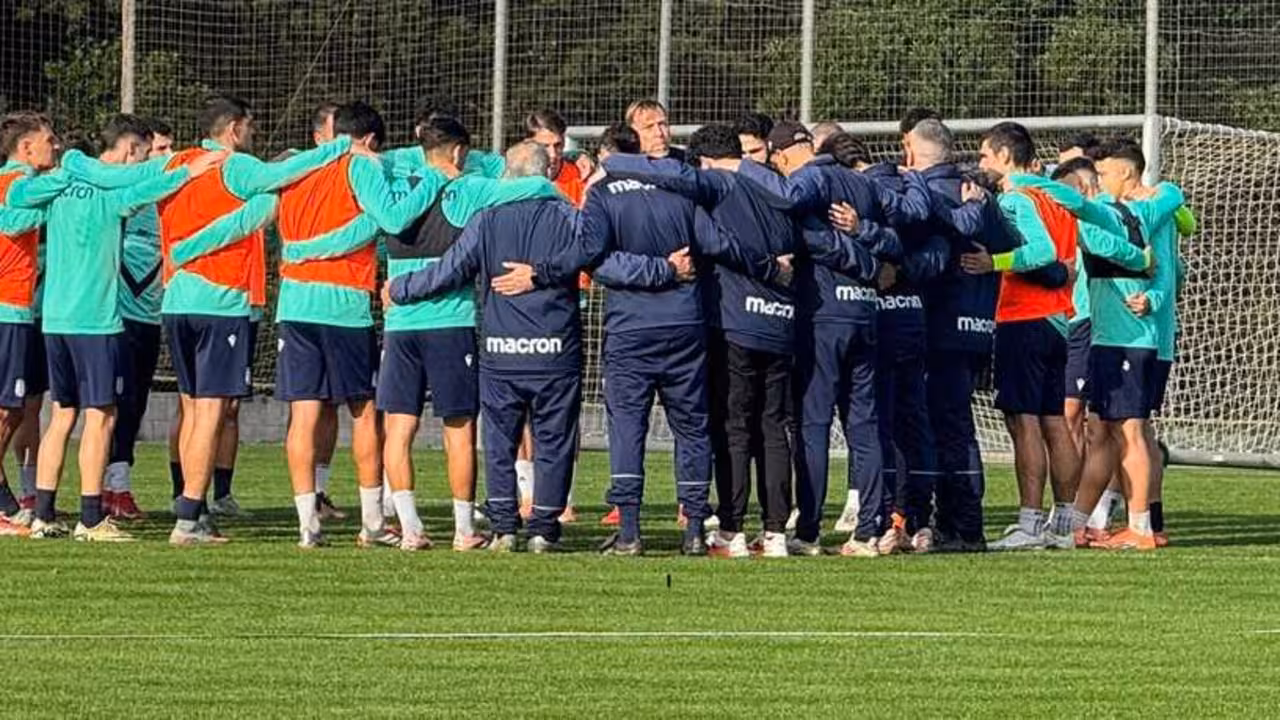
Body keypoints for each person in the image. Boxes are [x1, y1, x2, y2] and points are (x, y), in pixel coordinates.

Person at [7, 113, 224, 541]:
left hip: (53, 320)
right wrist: (188, 169)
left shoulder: (52, 191)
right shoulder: (108, 196)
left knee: (61, 416)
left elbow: (17, 204)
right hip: (96, 322)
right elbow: (150, 186)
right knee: (101, 417)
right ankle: (91, 519)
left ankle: (44, 514)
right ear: (125, 152)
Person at [159, 94, 351, 545]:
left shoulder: (177, 165)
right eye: (250, 128)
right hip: (218, 301)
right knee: (210, 411)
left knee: (191, 409)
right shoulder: (234, 165)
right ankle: (188, 518)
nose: (253, 136)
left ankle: (195, 507)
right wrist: (337, 148)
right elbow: (279, 175)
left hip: (176, 301)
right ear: (232, 130)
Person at [386, 141, 582, 552]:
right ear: (547, 173)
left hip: (501, 350)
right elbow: (597, 255)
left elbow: (450, 268)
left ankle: (505, 528)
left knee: (499, 440)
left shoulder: (488, 218)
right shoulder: (567, 214)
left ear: (506, 176)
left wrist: (401, 287)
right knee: (554, 439)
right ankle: (544, 528)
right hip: (553, 351)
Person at [736, 121, 914, 556]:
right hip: (865, 313)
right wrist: (870, 263)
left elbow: (795, 209)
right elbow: (892, 241)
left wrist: (741, 167)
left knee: (813, 424)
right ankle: (869, 529)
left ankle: (809, 530)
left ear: (781, 155)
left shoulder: (809, 177)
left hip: (824, 315)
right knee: (864, 425)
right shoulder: (862, 182)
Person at [275, 101, 440, 549]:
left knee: (304, 414)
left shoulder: (295, 169)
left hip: (294, 303)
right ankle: (371, 523)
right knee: (365, 412)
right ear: (367, 141)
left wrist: (303, 251)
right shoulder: (359, 166)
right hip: (343, 304)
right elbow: (391, 218)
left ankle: (307, 523)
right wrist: (432, 182)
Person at [961, 121, 1083, 551]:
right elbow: (1067, 257)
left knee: (1023, 419)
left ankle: (1029, 523)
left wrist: (992, 262)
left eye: (983, 155)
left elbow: (1040, 253)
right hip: (1057, 321)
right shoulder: (1056, 198)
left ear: (1004, 156)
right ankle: (1064, 524)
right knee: (1053, 419)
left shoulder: (1016, 198)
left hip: (1024, 318)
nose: (981, 164)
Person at [103, 117, 175, 520]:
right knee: (113, 403)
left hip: (151, 318)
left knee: (136, 403)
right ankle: (105, 489)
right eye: (157, 150)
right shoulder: (124, 193)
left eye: (166, 150)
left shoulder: (166, 197)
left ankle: (119, 485)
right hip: (115, 319)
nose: (163, 157)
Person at [0, 112, 58, 536]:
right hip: (7, 310)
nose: (55, 148)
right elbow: (11, 222)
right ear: (26, 149)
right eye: (49, 141)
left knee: (15, 408)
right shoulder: (19, 186)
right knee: (8, 409)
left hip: (15, 310)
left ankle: (5, 502)